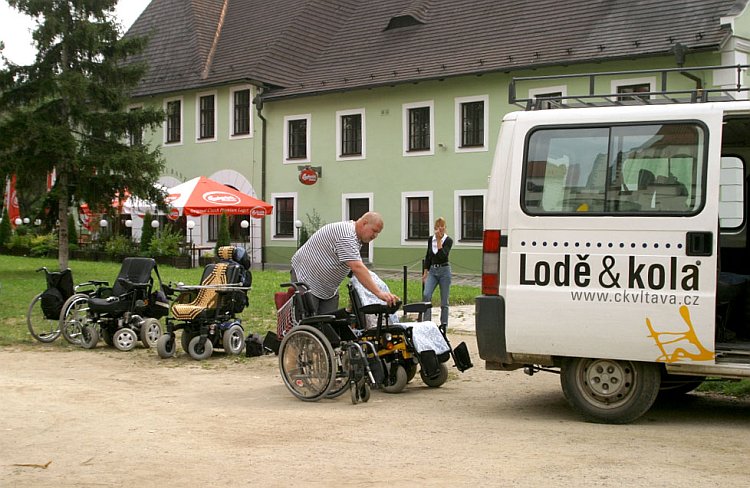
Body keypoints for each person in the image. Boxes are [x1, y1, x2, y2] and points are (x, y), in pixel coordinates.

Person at [290, 211, 399, 315]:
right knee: (310, 322)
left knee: (328, 324)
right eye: (374, 231)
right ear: (364, 223)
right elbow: (357, 267)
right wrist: (379, 293)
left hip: (327, 287)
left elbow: (353, 267)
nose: (375, 236)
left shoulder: (354, 237)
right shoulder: (347, 235)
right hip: (306, 277)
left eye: (377, 233)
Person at [422, 217, 452, 327]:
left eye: (442, 226)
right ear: (435, 228)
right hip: (433, 271)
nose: (440, 228)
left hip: (444, 271)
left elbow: (443, 256)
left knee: (444, 301)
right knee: (426, 294)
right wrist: (425, 272)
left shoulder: (448, 240)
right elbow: (428, 256)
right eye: (438, 226)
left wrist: (439, 241)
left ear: (445, 228)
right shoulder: (431, 239)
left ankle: (444, 324)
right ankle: (427, 323)